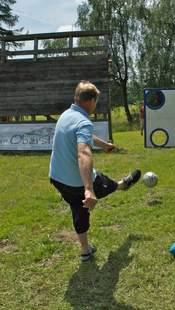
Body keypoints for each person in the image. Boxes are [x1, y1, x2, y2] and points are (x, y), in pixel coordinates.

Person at [49, 81, 141, 262]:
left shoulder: (66, 115)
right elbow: (83, 153)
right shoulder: (83, 121)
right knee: (103, 186)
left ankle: (85, 251)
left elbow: (86, 137)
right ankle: (122, 185)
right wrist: (89, 189)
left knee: (78, 208)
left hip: (57, 178)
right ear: (91, 101)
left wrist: (104, 145)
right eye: (96, 102)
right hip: (77, 182)